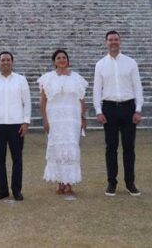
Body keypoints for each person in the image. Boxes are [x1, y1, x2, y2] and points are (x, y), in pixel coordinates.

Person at [93, 30, 144, 197]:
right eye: (110, 40)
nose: (113, 42)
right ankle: (111, 183)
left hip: (128, 107)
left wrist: (138, 109)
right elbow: (96, 90)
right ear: (106, 42)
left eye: (116, 39)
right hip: (109, 108)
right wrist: (98, 111)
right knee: (111, 147)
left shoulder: (131, 63)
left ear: (120, 42)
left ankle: (130, 183)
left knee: (129, 148)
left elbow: (138, 87)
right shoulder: (100, 65)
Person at [38, 49, 87, 196]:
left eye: (64, 57)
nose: (61, 60)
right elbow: (43, 101)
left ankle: (70, 183)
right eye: (58, 57)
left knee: (71, 148)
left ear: (68, 60)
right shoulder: (47, 79)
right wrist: (45, 120)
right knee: (57, 150)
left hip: (72, 120)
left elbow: (82, 100)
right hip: (55, 120)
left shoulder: (77, 78)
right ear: (54, 61)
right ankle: (60, 183)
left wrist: (83, 118)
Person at [0, 51, 31, 201]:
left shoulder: (21, 80)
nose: (5, 62)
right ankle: (2, 190)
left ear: (12, 62)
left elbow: (27, 102)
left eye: (8, 60)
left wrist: (26, 121)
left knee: (17, 159)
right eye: (3, 60)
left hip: (16, 125)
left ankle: (17, 190)